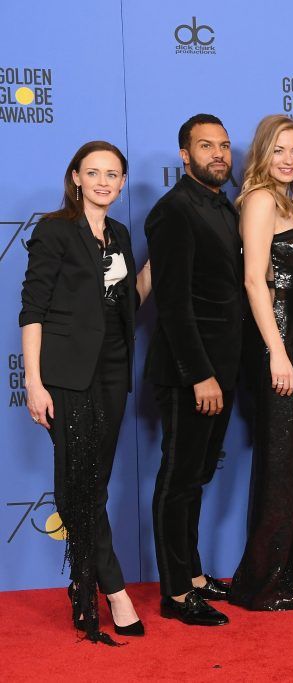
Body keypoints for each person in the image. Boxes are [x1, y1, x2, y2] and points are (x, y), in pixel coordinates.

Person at [20, 141, 149, 644]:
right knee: (80, 481)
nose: (102, 182)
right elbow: (33, 310)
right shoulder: (55, 229)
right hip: (67, 376)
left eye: (112, 174)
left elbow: (123, 307)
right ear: (75, 177)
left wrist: (148, 275)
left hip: (115, 369)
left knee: (92, 484)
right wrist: (34, 381)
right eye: (92, 172)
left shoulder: (118, 233)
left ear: (121, 182)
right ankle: (112, 590)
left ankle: (81, 585)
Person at [146, 113, 242, 626]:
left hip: (222, 370)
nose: (219, 154)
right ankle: (176, 592)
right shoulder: (173, 211)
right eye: (207, 146)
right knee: (179, 479)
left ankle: (196, 575)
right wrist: (199, 374)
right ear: (184, 155)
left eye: (224, 146)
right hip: (191, 373)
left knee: (197, 477)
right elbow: (173, 302)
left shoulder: (223, 205)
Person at [229, 115, 293, 610]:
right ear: (262, 152)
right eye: (279, 149)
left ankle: (289, 571)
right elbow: (254, 281)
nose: (288, 159)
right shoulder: (260, 199)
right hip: (275, 340)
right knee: (281, 460)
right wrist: (277, 352)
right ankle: (267, 580)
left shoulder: (290, 201)